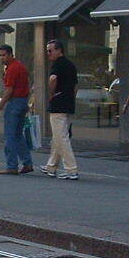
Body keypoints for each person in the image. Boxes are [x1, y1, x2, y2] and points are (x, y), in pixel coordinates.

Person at [41, 39, 78, 180]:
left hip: (58, 104)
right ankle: (51, 166)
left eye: (50, 50)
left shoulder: (57, 64)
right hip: (68, 103)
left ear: (59, 50)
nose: (48, 53)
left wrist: (52, 93)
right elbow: (75, 86)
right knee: (59, 136)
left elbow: (52, 79)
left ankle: (71, 169)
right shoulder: (70, 65)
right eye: (47, 51)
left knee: (61, 137)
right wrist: (71, 98)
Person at [0, 44, 33, 175]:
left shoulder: (12, 68)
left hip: (15, 102)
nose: (2, 58)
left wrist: (0, 107)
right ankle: (27, 163)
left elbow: (9, 90)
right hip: (22, 101)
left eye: (4, 55)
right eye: (0, 55)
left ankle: (12, 165)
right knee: (18, 134)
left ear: (11, 54)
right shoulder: (20, 66)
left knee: (10, 135)